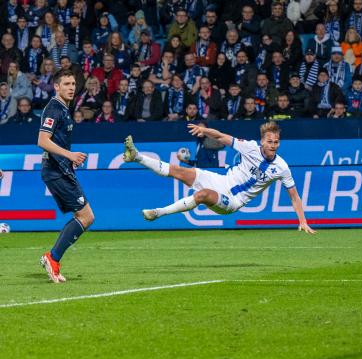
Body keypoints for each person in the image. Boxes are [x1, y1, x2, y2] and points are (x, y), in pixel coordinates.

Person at [122, 122, 316, 235]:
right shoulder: (249, 147)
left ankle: (159, 212)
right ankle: (136, 156)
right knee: (179, 171)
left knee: (203, 195)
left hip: (233, 201)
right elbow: (223, 137)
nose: (273, 145)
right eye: (269, 141)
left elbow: (294, 196)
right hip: (220, 180)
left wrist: (302, 221)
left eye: (276, 142)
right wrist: (204, 131)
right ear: (262, 141)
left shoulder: (281, 167)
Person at [38, 69, 94, 283]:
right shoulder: (54, 108)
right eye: (67, 84)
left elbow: (55, 143)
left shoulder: (64, 108)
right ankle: (52, 258)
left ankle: (52, 257)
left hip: (61, 169)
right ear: (57, 86)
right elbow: (42, 140)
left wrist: (68, 160)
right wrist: (69, 155)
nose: (71, 87)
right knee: (86, 216)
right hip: (55, 171)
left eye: (73, 83)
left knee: (85, 217)